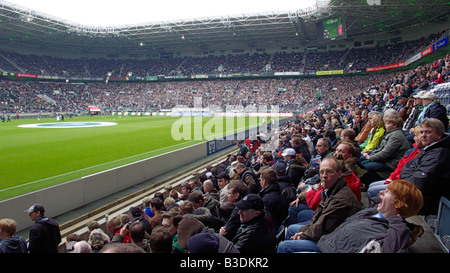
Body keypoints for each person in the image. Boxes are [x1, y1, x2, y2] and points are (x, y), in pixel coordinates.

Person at [277, 157, 362, 253]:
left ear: (339, 174)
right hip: (328, 234)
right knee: (292, 229)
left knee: (284, 246)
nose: (324, 176)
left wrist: (302, 235)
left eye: (329, 172)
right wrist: (304, 231)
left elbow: (322, 228)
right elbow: (318, 216)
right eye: (322, 172)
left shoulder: (341, 199)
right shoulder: (331, 189)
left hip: (334, 242)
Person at [317, 179, 424, 253]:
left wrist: (397, 221)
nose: (381, 192)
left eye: (387, 192)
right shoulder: (373, 212)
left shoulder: (392, 233)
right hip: (325, 242)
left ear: (398, 203)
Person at [400, 118, 450, 215]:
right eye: (421, 132)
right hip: (412, 191)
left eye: (428, 132)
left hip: (423, 202)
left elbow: (419, 182)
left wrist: (402, 183)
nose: (423, 135)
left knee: (377, 193)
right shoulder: (431, 148)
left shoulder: (439, 154)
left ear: (439, 135)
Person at [367, 126, 423, 201]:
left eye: (416, 136)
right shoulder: (412, 151)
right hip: (396, 178)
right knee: (371, 185)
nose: (413, 138)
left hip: (398, 177)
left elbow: (385, 154)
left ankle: (381, 209)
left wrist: (370, 157)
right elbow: (400, 166)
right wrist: (391, 178)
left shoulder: (417, 153)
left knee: (372, 190)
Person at [360, 115, 410, 185]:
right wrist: (371, 152)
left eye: (388, 124)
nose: (385, 125)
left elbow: (385, 153)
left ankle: (369, 183)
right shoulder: (391, 133)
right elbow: (381, 148)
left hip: (391, 163)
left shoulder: (396, 136)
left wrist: (370, 157)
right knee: (361, 161)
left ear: (395, 125)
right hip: (386, 160)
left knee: (364, 166)